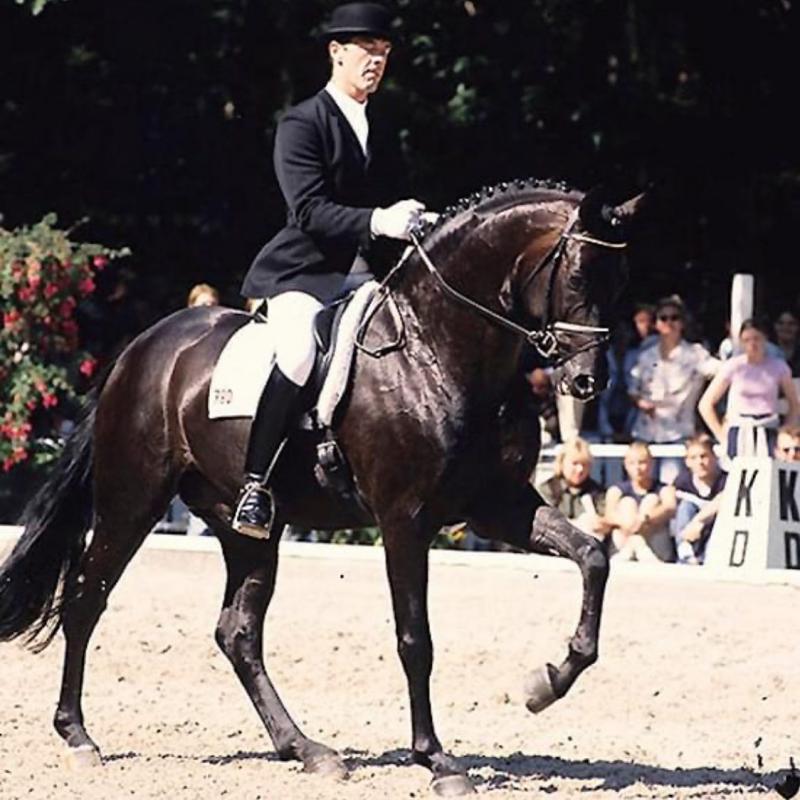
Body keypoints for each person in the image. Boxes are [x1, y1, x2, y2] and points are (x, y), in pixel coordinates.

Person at [233, 3, 433, 537]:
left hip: (371, 274)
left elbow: (394, 199)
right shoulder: (302, 123)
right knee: (300, 350)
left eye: (384, 52)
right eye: (367, 49)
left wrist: (419, 222)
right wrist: (379, 219)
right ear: (336, 52)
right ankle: (255, 485)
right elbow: (309, 210)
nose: (376, 61)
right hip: (305, 274)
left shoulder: (383, 126)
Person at [628, 295, 718, 480]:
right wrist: (641, 403)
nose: (669, 322)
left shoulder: (695, 354)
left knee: (671, 487)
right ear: (656, 324)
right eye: (663, 318)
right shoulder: (646, 356)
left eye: (674, 317)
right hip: (645, 433)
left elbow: (723, 372)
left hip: (678, 434)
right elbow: (632, 389)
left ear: (682, 323)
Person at [698, 319, 800, 459]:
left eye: (756, 339)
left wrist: (785, 430)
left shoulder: (779, 367)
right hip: (739, 428)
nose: (752, 344)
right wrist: (721, 435)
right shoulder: (733, 366)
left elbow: (794, 404)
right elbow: (705, 404)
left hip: (768, 429)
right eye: (747, 340)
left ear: (765, 339)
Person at [604, 441, 676, 562]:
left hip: (654, 545)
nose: (637, 468)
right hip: (624, 540)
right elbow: (609, 515)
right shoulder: (616, 490)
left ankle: (637, 545)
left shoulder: (664, 489)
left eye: (642, 462)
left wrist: (645, 518)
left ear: (651, 463)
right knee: (627, 503)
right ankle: (636, 545)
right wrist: (629, 523)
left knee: (651, 500)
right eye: (632, 463)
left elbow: (670, 507)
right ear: (626, 465)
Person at [537, 437, 610, 538]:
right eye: (575, 463)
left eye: (584, 464)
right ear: (562, 463)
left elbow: (606, 521)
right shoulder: (547, 489)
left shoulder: (597, 492)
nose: (580, 469)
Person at [672, 434, 726, 565]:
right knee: (685, 506)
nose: (700, 462)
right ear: (687, 462)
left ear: (714, 457)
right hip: (690, 531)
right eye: (693, 458)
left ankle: (709, 558)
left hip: (715, 529)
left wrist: (699, 521)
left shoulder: (725, 480)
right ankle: (685, 553)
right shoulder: (683, 481)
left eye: (704, 456)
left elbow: (722, 499)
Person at [526, 368, 560, 445]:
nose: (535, 390)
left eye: (539, 387)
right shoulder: (529, 395)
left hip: (553, 420)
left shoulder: (552, 393)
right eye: (533, 387)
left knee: (552, 423)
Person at [773, 309, 800, 376]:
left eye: (791, 324)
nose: (785, 327)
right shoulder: (766, 352)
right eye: (780, 323)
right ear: (774, 326)